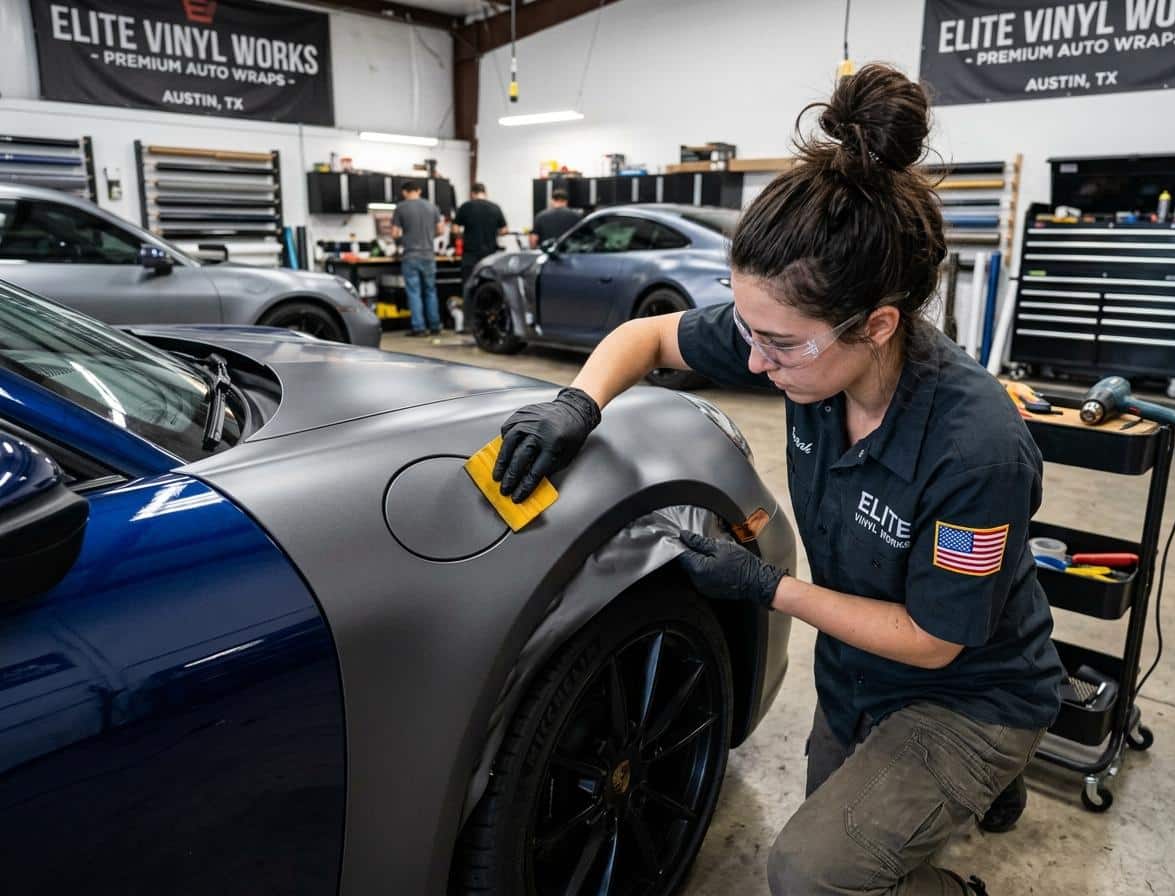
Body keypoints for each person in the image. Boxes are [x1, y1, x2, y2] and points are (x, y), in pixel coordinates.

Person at [489, 65, 1063, 896]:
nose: (756, 362)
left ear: (878, 325)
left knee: (809, 876)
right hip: (858, 672)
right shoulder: (801, 342)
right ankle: (942, 796)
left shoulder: (974, 448)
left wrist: (767, 586)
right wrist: (574, 404)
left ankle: (978, 810)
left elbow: (935, 639)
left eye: (781, 346)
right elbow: (647, 337)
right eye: (749, 332)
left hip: (969, 690)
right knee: (834, 832)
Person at [392, 181, 445, 337]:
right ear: (419, 190)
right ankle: (435, 326)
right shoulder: (432, 207)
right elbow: (441, 230)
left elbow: (395, 233)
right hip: (429, 255)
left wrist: (405, 239)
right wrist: (428, 237)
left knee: (414, 292)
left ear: (405, 192)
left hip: (411, 255)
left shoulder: (401, 207)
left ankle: (419, 328)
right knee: (430, 291)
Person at [453, 182, 508, 283]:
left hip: (470, 255)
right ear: (485, 193)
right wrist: (493, 232)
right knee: (488, 286)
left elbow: (455, 229)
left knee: (469, 285)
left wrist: (464, 235)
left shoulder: (465, 207)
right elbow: (504, 230)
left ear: (472, 193)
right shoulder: (495, 208)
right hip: (490, 255)